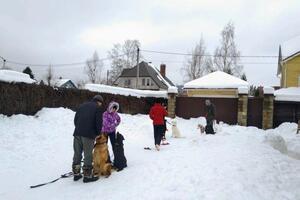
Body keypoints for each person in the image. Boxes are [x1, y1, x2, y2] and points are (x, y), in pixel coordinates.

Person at [72, 94, 104, 183]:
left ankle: (76, 174)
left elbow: (75, 120)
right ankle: (87, 176)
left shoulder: (82, 105)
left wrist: (79, 128)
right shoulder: (97, 108)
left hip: (77, 133)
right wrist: (97, 133)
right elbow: (98, 123)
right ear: (99, 102)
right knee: (88, 155)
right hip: (88, 135)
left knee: (77, 154)